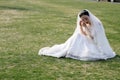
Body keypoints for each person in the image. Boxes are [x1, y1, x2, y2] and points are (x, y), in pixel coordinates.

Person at [38, 9, 116, 61]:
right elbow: (83, 34)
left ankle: (68, 50)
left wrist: (85, 27)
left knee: (78, 36)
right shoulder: (86, 24)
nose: (84, 20)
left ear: (89, 16)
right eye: (83, 19)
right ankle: (67, 49)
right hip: (88, 39)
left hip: (95, 43)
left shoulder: (97, 24)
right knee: (77, 35)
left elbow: (92, 38)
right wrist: (82, 27)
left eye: (86, 18)